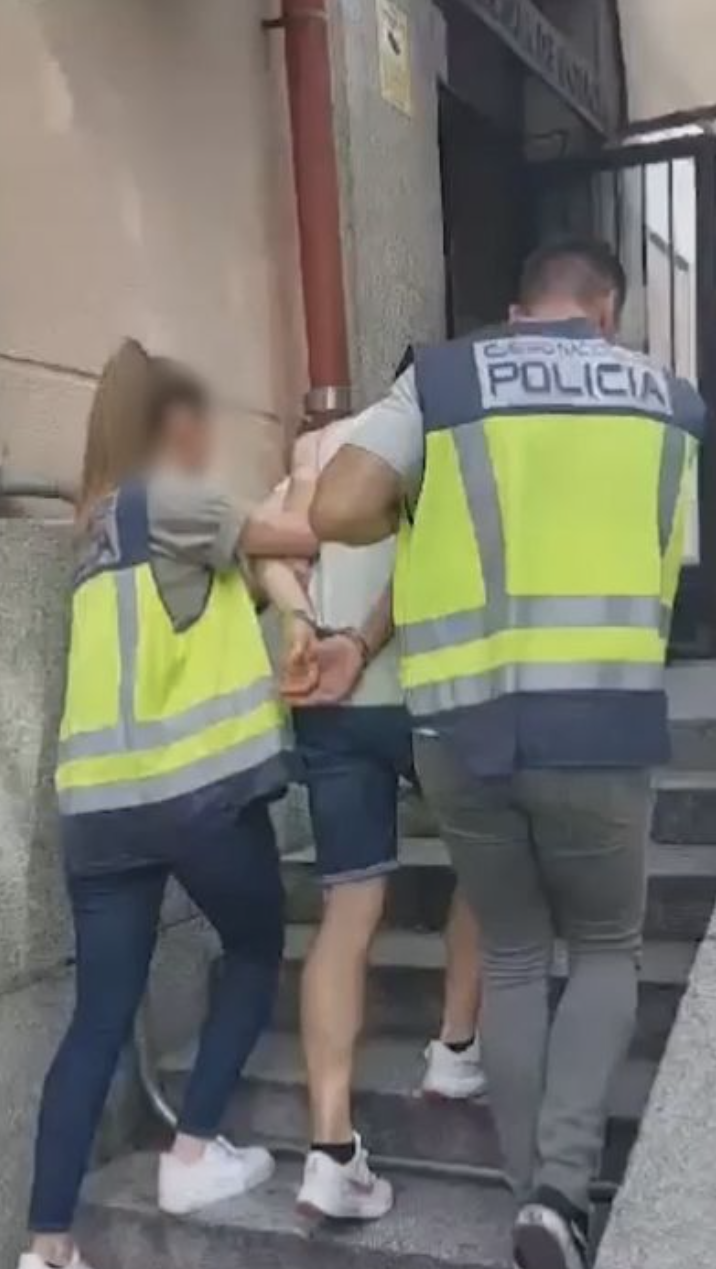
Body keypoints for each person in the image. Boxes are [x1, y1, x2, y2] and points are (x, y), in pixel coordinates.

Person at [310, 238, 703, 1269]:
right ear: (603, 312)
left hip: (462, 728)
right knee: (609, 949)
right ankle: (562, 1196)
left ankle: (538, 1199)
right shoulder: (669, 401)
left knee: (516, 954)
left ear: (515, 305)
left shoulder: (441, 380)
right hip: (603, 722)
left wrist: (417, 498)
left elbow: (338, 506)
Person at [7, 340, 326, 1269]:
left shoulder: (90, 532)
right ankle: (191, 1155)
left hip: (97, 814)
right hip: (192, 797)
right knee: (256, 941)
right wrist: (307, 485)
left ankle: (46, 1256)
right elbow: (297, 534)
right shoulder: (167, 501)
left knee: (97, 1018)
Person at [262, 400, 487, 1226]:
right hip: (419, 688)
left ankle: (329, 1151)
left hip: (327, 699)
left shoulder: (320, 443)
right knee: (483, 863)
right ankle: (456, 1048)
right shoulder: (448, 436)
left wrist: (302, 620)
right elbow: (425, 566)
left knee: (347, 911)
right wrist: (361, 638)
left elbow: (273, 547)